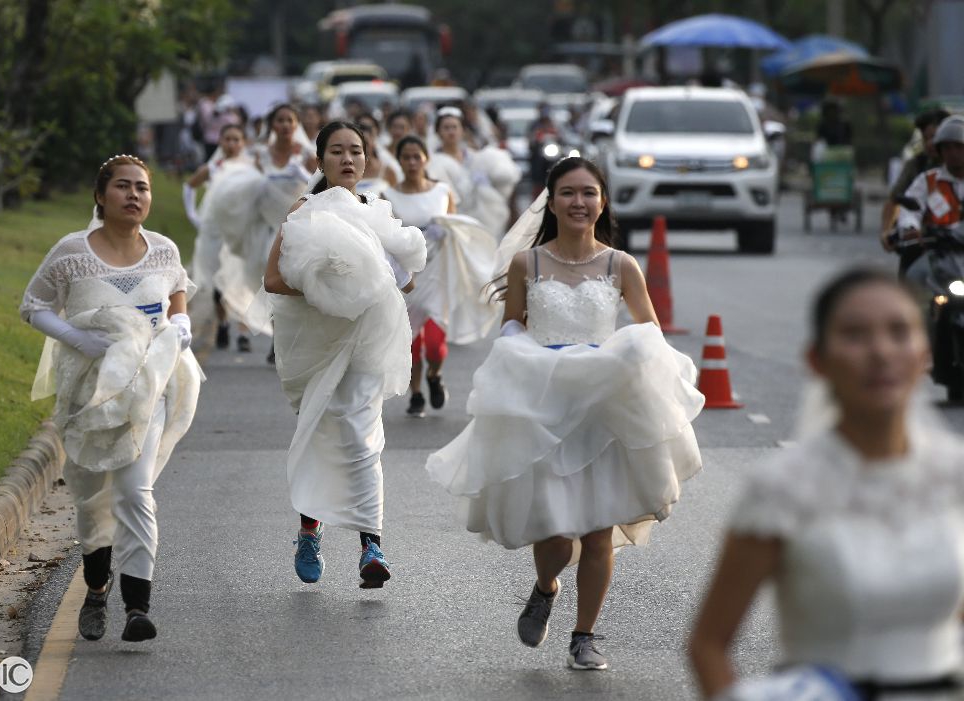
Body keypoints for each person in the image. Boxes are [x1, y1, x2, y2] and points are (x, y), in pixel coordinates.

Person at [426, 157, 704, 670]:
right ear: (550, 202)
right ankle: (545, 585)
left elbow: (649, 331)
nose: (580, 203)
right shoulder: (527, 265)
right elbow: (511, 328)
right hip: (545, 407)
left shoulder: (621, 265)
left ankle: (585, 635)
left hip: (602, 408)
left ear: (603, 202)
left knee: (599, 529)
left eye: (590, 193)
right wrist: (528, 356)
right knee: (555, 531)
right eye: (569, 193)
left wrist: (624, 359)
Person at [688, 268, 964, 700]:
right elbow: (708, 644)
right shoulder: (784, 489)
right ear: (817, 359)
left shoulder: (953, 475)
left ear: (924, 353)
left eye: (899, 332)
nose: (881, 352)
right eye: (855, 335)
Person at [19, 155, 202, 642]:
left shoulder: (163, 250)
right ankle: (97, 587)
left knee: (134, 489)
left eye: (142, 188)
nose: (134, 195)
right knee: (92, 494)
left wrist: (180, 324)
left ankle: (137, 606)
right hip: (88, 393)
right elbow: (32, 306)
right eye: (123, 186)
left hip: (153, 389)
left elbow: (177, 294)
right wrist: (79, 339)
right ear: (101, 196)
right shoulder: (70, 253)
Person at [263, 122, 427, 588]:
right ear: (320, 160)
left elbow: (405, 279)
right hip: (316, 345)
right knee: (319, 432)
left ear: (368, 160)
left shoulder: (376, 211)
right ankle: (310, 531)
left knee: (362, 437)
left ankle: (370, 546)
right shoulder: (303, 210)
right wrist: (328, 285)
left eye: (356, 151)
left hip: (369, 343)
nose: (348, 159)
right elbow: (273, 280)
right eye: (337, 151)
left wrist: (377, 271)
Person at [384, 135, 495, 417]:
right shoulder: (389, 195)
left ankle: (434, 375)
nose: (411, 162)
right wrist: (414, 237)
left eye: (416, 156)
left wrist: (444, 232)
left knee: (433, 343)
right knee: (410, 343)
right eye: (405, 157)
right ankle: (417, 394)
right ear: (399, 161)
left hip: (438, 276)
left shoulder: (443, 192)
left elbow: (457, 230)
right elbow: (387, 237)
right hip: (406, 278)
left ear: (425, 159)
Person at [214, 103, 312, 360]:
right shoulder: (260, 156)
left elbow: (319, 186)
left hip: (297, 229)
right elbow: (245, 191)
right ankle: (277, 337)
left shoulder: (307, 154)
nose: (285, 126)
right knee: (270, 284)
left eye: (289, 120)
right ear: (272, 126)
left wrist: (302, 174)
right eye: (279, 121)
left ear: (296, 124)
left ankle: (283, 338)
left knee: (293, 284)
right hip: (267, 231)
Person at [183, 124, 256, 351]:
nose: (232, 144)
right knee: (219, 282)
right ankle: (223, 322)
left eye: (236, 139)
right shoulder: (212, 168)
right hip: (216, 232)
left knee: (243, 279)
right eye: (227, 139)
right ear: (220, 142)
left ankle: (244, 331)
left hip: (242, 232)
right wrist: (194, 215)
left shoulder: (252, 168)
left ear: (243, 143)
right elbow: (189, 186)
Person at [428, 106, 521, 236]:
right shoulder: (433, 161)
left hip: (479, 222)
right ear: (438, 132)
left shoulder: (475, 157)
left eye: (454, 127)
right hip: (452, 223)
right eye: (446, 128)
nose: (451, 132)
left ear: (462, 131)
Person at [881, 109, 950, 272]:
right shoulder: (921, 174)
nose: (930, 143)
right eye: (926, 138)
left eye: (935, 137)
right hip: (923, 241)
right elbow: (900, 203)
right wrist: (889, 231)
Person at [354, 113, 401, 194]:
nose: (362, 150)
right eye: (357, 146)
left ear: (373, 143)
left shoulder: (387, 171)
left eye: (366, 144)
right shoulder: (346, 172)